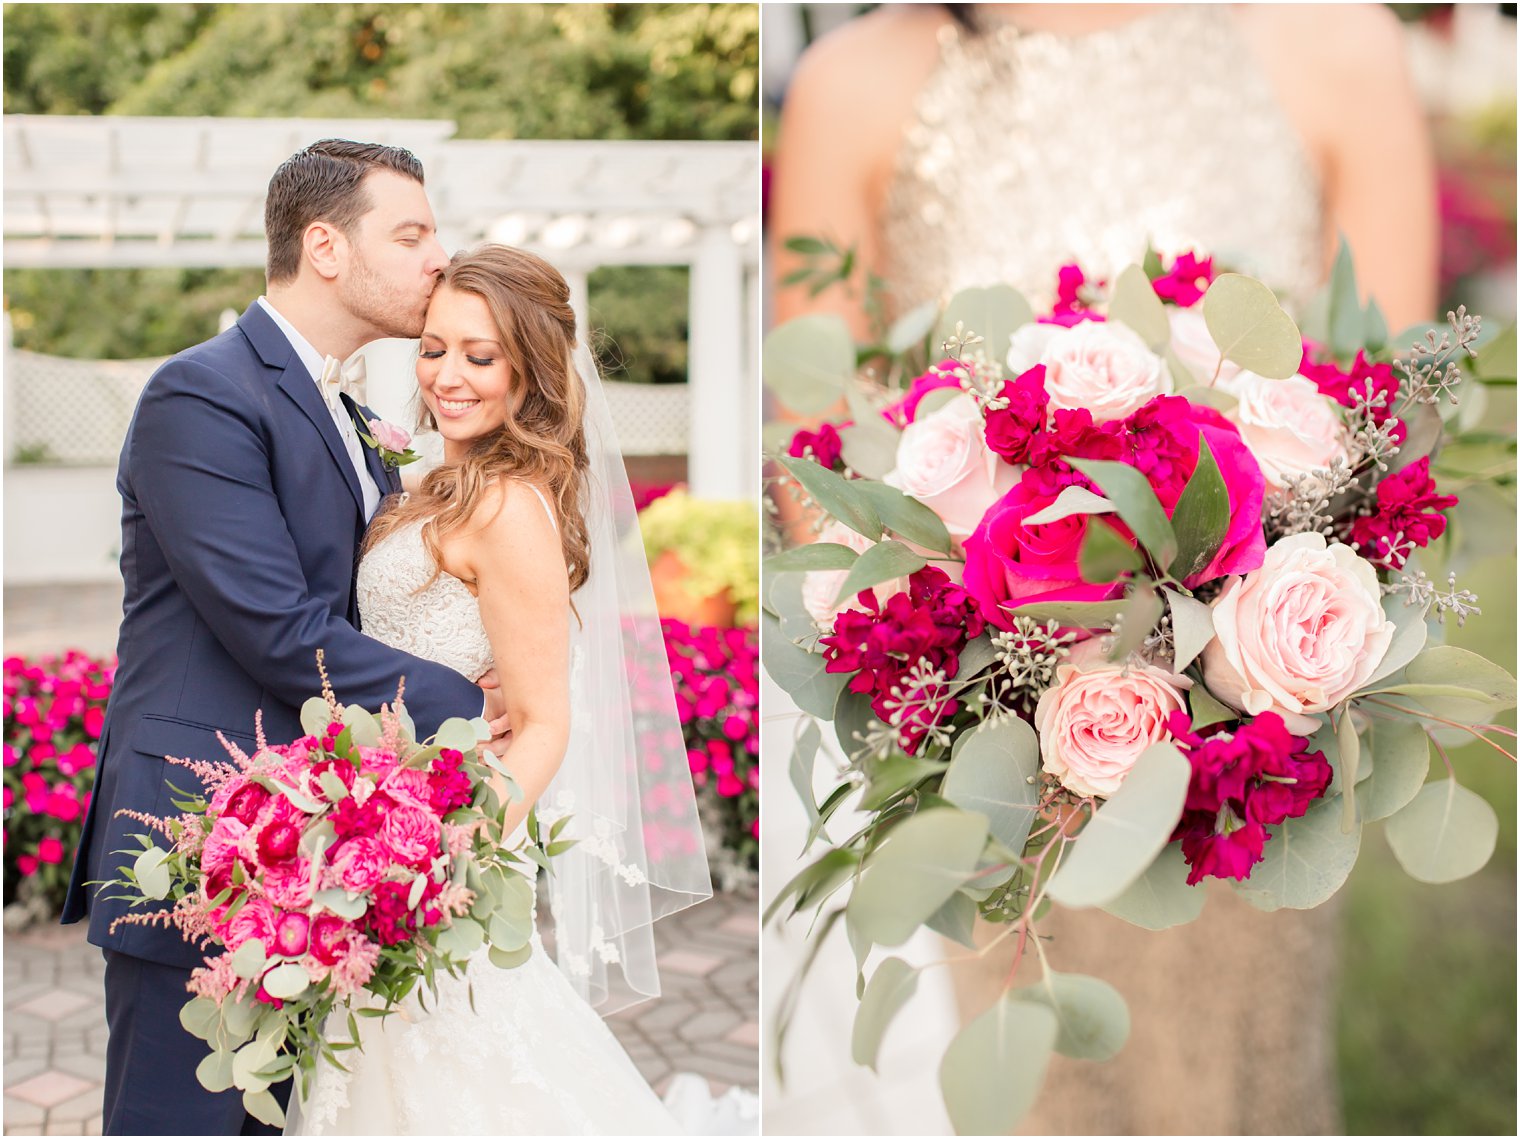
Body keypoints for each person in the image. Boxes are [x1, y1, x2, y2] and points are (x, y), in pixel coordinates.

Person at [768, 4, 1436, 1134]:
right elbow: (822, 471)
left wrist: (1234, 651)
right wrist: (990, 682)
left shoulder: (1332, 42)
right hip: (992, 773)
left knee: (1228, 1086)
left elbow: (1384, 426)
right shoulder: (855, 78)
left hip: (1249, 746)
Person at [62, 140, 513, 1136]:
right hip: (195, 836)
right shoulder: (205, 393)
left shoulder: (351, 413)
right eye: (411, 232)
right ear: (325, 246)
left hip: (313, 846)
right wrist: (467, 699)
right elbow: (280, 630)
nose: (438, 255)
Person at [284, 244, 713, 1135]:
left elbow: (547, 724)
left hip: (440, 860)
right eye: (436, 347)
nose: (447, 374)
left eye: (481, 357)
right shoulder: (427, 487)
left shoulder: (509, 505)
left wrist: (438, 868)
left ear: (530, 375)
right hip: (373, 838)